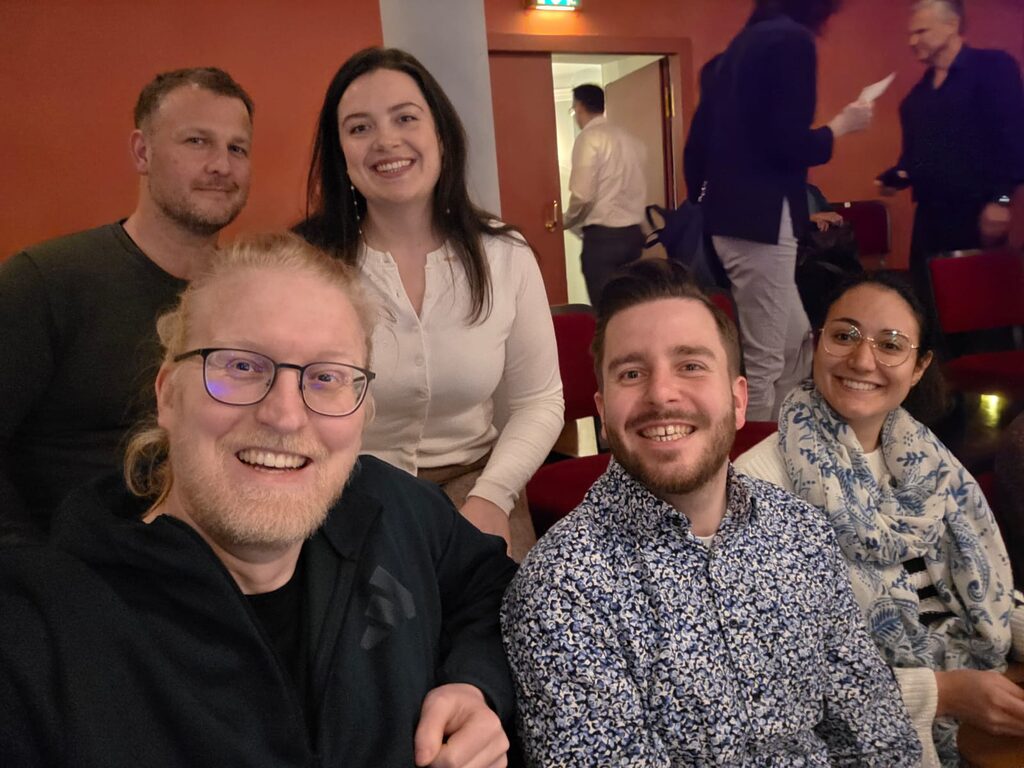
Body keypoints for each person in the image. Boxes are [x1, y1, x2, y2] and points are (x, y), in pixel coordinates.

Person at [0, 233, 516, 768]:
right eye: (242, 366)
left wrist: (475, 686)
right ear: (168, 395)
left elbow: (491, 590)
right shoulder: (41, 633)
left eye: (327, 377)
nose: (285, 416)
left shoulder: (397, 511)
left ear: (363, 414)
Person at [502, 259, 920, 765]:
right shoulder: (563, 589)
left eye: (691, 366)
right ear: (604, 412)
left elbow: (876, 731)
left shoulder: (803, 533)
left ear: (739, 400)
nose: (661, 394)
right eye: (631, 373)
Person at [735, 271, 1021, 766]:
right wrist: (944, 693)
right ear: (817, 343)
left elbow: (985, 592)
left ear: (919, 366)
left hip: (983, 676)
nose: (863, 361)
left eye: (891, 345)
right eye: (844, 335)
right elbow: (777, 676)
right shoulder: (756, 484)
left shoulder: (929, 460)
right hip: (882, 725)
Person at [298, 47, 563, 557]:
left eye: (405, 118)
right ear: (340, 152)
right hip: (344, 497)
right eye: (360, 128)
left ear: (440, 134)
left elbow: (539, 401)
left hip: (481, 488)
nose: (386, 141)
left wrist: (493, 496)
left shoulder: (504, 254)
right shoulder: (305, 262)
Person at [0, 67, 254, 539]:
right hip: (73, 563)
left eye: (237, 148)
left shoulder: (251, 298)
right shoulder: (44, 282)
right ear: (142, 152)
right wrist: (32, 564)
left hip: (221, 560)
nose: (221, 165)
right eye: (197, 141)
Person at [684, 0, 872, 421]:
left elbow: (696, 148)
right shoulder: (791, 41)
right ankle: (756, 457)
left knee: (795, 342)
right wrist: (842, 125)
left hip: (733, 217)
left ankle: (786, 439)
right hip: (763, 219)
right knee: (766, 361)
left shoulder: (729, 56)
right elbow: (788, 144)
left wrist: (706, 203)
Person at [876, 0, 1024, 294]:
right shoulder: (916, 100)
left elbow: (1014, 139)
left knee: (978, 305)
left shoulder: (994, 69)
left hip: (977, 217)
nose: (912, 41)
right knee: (926, 303)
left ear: (951, 25)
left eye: (921, 31)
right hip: (929, 222)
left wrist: (1001, 200)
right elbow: (914, 161)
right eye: (910, 34)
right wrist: (895, 177)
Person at [562, 83, 648, 304]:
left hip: (603, 240)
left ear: (579, 107)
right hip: (633, 236)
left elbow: (582, 195)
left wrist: (566, 221)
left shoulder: (589, 138)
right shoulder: (629, 139)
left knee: (605, 308)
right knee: (630, 304)